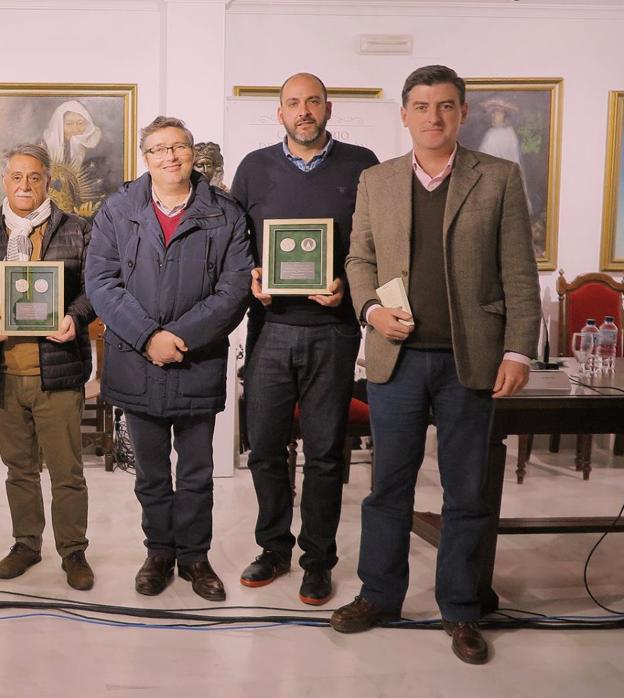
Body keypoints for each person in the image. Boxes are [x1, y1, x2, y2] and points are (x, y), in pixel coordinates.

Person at [335, 65, 541, 665]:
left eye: (446, 106)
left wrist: (517, 349)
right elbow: (359, 260)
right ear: (404, 115)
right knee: (387, 489)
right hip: (396, 362)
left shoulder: (498, 178)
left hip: (469, 362)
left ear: (463, 113)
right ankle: (380, 595)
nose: (433, 117)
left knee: (467, 492)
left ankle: (462, 607)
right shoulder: (377, 180)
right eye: (422, 106)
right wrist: (371, 309)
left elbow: (519, 273)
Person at [85, 116, 252, 601]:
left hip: (195, 361)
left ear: (191, 152)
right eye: (158, 149)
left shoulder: (224, 212)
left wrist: (178, 335)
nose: (170, 157)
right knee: (152, 473)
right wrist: (147, 336)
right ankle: (159, 552)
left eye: (178, 147)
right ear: (146, 158)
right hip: (136, 361)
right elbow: (101, 282)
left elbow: (235, 286)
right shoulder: (118, 211)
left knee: (197, 472)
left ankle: (195, 558)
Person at [231, 73, 379, 606]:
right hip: (270, 328)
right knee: (266, 448)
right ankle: (273, 549)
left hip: (334, 333)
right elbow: (235, 243)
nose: (303, 111)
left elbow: (378, 244)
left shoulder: (363, 165)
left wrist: (349, 288)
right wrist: (251, 278)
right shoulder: (253, 167)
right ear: (279, 113)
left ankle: (318, 559)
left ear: (328, 107)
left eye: (312, 101)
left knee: (323, 454)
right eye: (293, 103)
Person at [0, 144, 95, 590]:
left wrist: (75, 317)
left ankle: (73, 549)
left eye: (35, 177)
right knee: (18, 469)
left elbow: (94, 287)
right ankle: (26, 542)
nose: (25, 185)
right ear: (4, 181)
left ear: (48, 182)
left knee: (67, 471)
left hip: (58, 370)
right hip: (4, 372)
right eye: (16, 177)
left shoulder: (78, 229)